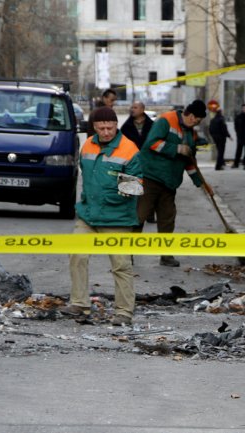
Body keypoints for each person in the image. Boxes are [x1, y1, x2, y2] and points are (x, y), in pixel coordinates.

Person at [62, 106, 141, 326]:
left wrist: (120, 190)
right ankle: (79, 303)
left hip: (117, 218)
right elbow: (86, 175)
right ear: (94, 128)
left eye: (110, 127)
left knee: (121, 265)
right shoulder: (88, 145)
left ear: (116, 125)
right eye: (101, 128)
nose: (106, 132)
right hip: (88, 215)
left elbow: (136, 186)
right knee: (77, 255)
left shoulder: (129, 149)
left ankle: (124, 312)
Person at [137, 100, 212, 267]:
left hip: (169, 183)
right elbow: (151, 144)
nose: (197, 123)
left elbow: (190, 163)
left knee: (167, 219)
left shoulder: (191, 135)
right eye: (197, 120)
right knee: (140, 216)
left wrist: (201, 183)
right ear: (191, 116)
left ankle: (166, 255)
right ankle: (127, 252)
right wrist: (177, 148)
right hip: (150, 177)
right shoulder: (166, 121)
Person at [208, 103, 231, 170]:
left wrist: (213, 136)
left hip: (215, 138)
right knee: (221, 151)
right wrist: (228, 136)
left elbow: (210, 129)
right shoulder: (221, 119)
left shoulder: (213, 120)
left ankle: (222, 162)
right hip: (221, 138)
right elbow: (224, 129)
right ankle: (218, 166)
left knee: (219, 150)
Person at [233, 104, 245, 169]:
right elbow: (236, 125)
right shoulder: (239, 117)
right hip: (240, 136)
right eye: (244, 108)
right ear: (242, 109)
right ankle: (236, 163)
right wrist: (238, 133)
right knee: (238, 150)